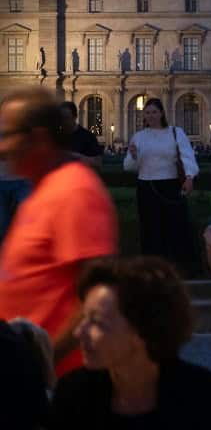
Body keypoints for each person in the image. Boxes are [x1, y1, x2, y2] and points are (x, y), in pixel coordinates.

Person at [0, 87, 118, 377]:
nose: (2, 147)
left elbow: (98, 293)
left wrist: (43, 363)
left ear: (38, 138)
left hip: (62, 377)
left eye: (8, 135)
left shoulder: (74, 191)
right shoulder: (43, 189)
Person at [47, 256, 211, 429]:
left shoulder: (202, 394)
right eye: (84, 318)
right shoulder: (73, 393)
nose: (79, 332)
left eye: (97, 322)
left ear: (143, 328)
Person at [123, 98, 198, 274]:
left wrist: (189, 177)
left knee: (176, 229)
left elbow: (187, 156)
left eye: (154, 112)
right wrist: (133, 156)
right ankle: (153, 270)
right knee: (150, 231)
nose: (151, 116)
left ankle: (180, 269)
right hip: (146, 187)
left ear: (162, 113)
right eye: (148, 112)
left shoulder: (175, 132)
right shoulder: (139, 137)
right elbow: (129, 167)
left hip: (171, 185)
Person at [60, 102, 102, 170]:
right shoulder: (56, 136)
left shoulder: (88, 137)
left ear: (75, 117)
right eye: (61, 118)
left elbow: (98, 163)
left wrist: (78, 157)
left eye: (66, 118)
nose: (63, 121)